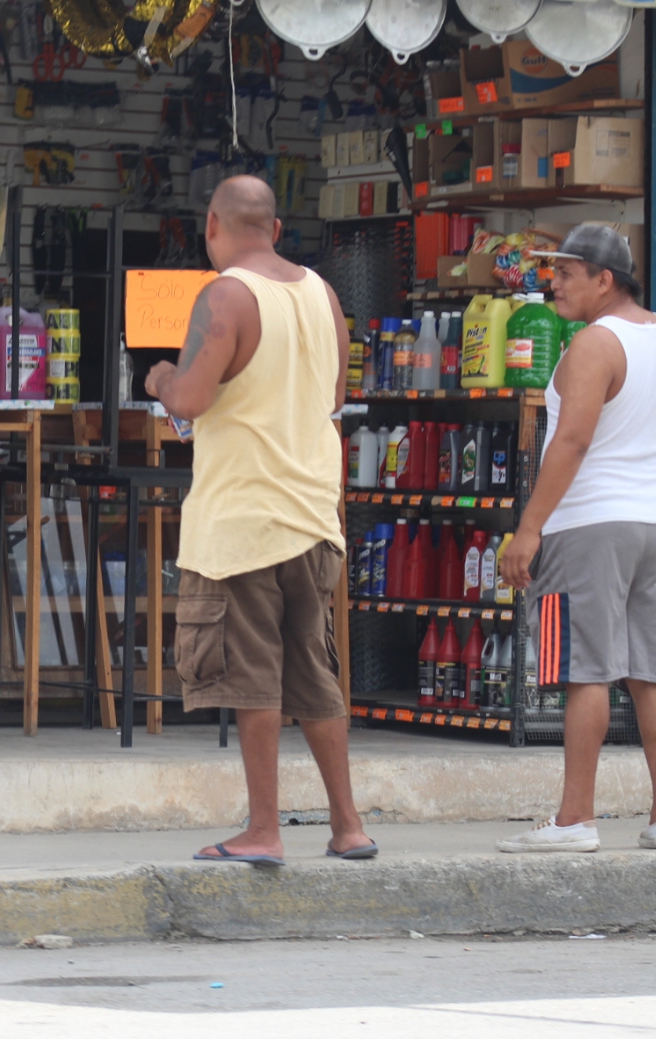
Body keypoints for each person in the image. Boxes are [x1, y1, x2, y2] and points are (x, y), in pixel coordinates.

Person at [145, 175, 375, 866]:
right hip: (313, 515)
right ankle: (348, 825)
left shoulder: (224, 296)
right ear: (274, 229)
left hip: (243, 518)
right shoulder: (321, 294)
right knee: (313, 673)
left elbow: (190, 397)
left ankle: (264, 830)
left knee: (253, 678)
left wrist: (157, 379)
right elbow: (334, 392)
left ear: (211, 225)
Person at [497, 224, 656, 853]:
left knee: (587, 673)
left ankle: (575, 820)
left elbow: (572, 441)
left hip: (587, 526)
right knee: (655, 674)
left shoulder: (594, 346)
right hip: (654, 525)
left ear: (605, 280)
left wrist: (529, 528)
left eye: (567, 273)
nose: (555, 283)